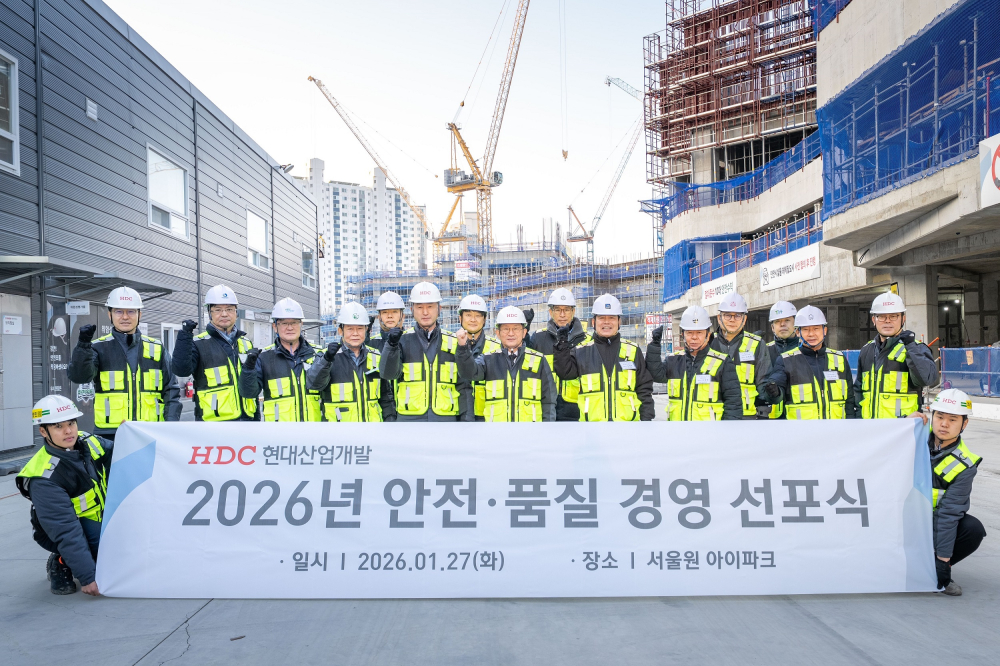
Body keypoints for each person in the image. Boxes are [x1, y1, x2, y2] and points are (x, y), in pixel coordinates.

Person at [16, 396, 113, 596]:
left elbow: (123, 451)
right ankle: (61, 561)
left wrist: (131, 431)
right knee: (110, 561)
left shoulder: (88, 441)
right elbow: (66, 529)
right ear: (44, 431)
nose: (68, 431)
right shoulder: (44, 476)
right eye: (58, 426)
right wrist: (88, 577)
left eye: (71, 423)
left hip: (101, 517)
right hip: (75, 527)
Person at [68, 287, 181, 440]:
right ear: (110, 314)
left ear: (140, 314)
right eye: (119, 311)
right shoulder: (97, 347)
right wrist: (83, 346)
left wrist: (170, 427)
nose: (125, 317)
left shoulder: (157, 348)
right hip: (109, 435)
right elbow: (79, 376)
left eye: (131, 311)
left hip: (151, 431)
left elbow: (171, 390)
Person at [552, 294, 654, 421]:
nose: (606, 322)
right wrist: (562, 344)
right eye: (601, 318)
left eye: (611, 317)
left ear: (619, 322)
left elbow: (644, 389)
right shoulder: (582, 351)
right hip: (592, 427)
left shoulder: (632, 351)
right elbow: (565, 372)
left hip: (627, 426)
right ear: (594, 322)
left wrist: (646, 421)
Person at [379, 281, 471, 421]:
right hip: (409, 421)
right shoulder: (401, 340)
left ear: (439, 309)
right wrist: (391, 345)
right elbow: (388, 374)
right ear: (412, 310)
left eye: (430, 306)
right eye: (420, 307)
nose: (425, 312)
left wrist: (467, 421)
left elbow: (464, 386)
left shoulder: (454, 341)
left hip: (445, 420)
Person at [925, 389, 986, 596]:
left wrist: (943, 561)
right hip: (900, 517)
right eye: (940, 417)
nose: (944, 424)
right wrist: (904, 423)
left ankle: (933, 569)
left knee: (973, 529)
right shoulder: (913, 437)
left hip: (931, 521)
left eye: (952, 419)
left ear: (964, 424)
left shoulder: (965, 464)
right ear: (932, 416)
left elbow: (949, 513)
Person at [170, 285, 259, 422]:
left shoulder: (246, 344)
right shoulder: (198, 343)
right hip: (212, 424)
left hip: (247, 422)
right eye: (218, 310)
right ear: (209, 313)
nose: (224, 314)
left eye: (229, 309)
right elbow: (181, 370)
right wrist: (184, 337)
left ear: (236, 312)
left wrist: (257, 420)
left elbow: (253, 386)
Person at [456, 306, 556, 421]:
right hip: (496, 430)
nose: (511, 333)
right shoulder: (488, 359)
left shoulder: (539, 361)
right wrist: (463, 347)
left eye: (516, 329)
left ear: (524, 332)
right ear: (497, 333)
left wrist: (547, 428)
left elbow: (549, 401)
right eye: (506, 329)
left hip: (529, 430)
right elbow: (468, 373)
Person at [852, 292, 939, 419]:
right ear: (873, 320)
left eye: (893, 316)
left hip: (902, 426)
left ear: (903, 319)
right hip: (869, 426)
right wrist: (858, 418)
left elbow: (927, 379)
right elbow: (859, 390)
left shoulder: (916, 348)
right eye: (882, 316)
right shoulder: (867, 350)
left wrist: (910, 347)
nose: (887, 321)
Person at [647, 305, 742, 420]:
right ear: (683, 335)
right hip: (678, 429)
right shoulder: (673, 360)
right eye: (689, 333)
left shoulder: (723, 363)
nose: (694, 337)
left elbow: (733, 403)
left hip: (710, 430)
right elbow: (656, 375)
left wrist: (726, 429)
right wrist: (654, 346)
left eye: (699, 333)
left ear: (708, 335)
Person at [306, 302, 396, 422]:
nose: (355, 333)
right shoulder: (326, 357)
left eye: (360, 328)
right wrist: (326, 360)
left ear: (366, 330)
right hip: (339, 430)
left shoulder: (376, 356)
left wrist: (390, 419)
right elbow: (314, 384)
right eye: (350, 329)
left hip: (372, 429)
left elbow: (385, 396)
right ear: (340, 331)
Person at [239, 297, 324, 422]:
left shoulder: (318, 354)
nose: (290, 328)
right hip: (278, 431)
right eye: (284, 323)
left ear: (301, 324)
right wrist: (248, 369)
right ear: (275, 326)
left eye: (294, 323)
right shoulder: (264, 357)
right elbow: (249, 393)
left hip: (314, 429)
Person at [765, 306, 856, 420]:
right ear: (798, 332)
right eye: (806, 329)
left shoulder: (839, 359)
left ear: (825, 331)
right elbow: (777, 390)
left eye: (816, 329)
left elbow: (849, 400)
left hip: (835, 428)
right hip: (801, 429)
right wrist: (775, 392)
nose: (811, 334)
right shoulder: (786, 360)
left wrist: (850, 425)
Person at [526, 287, 591, 421]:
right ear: (551, 312)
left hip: (578, 410)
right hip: (547, 408)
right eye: (557, 310)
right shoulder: (539, 338)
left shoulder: (587, 340)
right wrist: (524, 333)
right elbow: (524, 362)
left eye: (566, 309)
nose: (562, 314)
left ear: (573, 311)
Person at [710, 293, 771, 419]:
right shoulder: (708, 343)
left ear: (744, 319)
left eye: (737, 315)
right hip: (713, 415)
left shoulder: (757, 344)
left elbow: (763, 382)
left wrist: (763, 414)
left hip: (746, 416)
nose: (732, 320)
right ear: (719, 318)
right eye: (727, 315)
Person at [763, 301, 799, 419]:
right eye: (778, 321)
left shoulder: (805, 351)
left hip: (799, 418)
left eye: (787, 320)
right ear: (772, 327)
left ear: (796, 323)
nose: (782, 324)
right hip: (769, 418)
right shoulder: (764, 351)